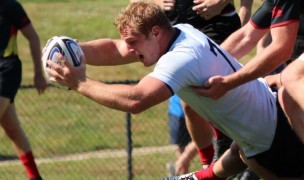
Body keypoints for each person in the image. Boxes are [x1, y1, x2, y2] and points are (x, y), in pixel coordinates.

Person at [45, 1, 304, 179]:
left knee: (247, 156)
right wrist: (77, 50)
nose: (131, 50)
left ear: (155, 32)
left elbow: (137, 100)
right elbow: (116, 48)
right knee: (240, 155)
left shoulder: (181, 57)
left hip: (270, 141)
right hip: (261, 132)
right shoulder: (181, 32)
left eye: (134, 42)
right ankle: (203, 174)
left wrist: (79, 82)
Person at [133, 0, 253, 175]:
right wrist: (156, 2)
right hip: (174, 29)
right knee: (189, 103)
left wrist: (223, 3)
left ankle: (243, 155)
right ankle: (212, 163)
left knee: (214, 90)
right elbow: (135, 3)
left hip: (217, 26)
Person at [0, 0, 47, 179]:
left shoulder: (10, 6)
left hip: (6, 70)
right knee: (13, 130)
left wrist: (38, 74)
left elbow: (33, 37)